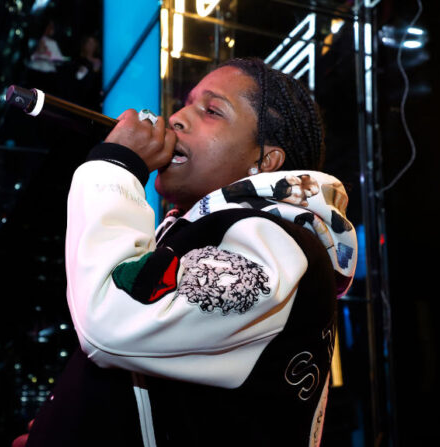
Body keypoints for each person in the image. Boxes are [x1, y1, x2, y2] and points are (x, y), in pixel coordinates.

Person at [21, 57, 358, 446]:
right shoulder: (196, 235)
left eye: (212, 111)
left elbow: (111, 319)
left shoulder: (275, 242)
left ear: (264, 161)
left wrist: (116, 167)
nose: (177, 118)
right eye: (186, 103)